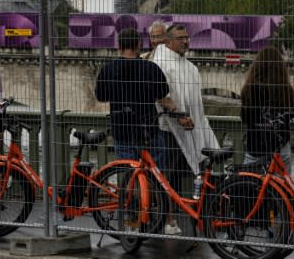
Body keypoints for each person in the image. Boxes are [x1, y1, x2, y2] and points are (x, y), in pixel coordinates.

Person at [151, 24, 219, 230]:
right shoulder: (160, 62)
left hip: (192, 128)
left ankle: (196, 215)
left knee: (190, 174)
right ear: (169, 41)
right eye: (180, 38)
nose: (185, 41)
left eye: (187, 37)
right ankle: (168, 219)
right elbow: (160, 93)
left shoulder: (190, 66)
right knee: (168, 176)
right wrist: (178, 116)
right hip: (169, 130)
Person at [94, 28, 174, 165]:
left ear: (119, 46)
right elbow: (162, 95)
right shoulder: (151, 68)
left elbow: (101, 96)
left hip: (122, 129)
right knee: (155, 174)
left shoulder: (108, 69)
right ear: (139, 45)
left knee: (128, 175)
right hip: (148, 130)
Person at [240, 46, 294, 166]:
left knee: (247, 183)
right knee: (280, 184)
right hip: (280, 149)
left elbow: (245, 118)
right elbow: (288, 116)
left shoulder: (249, 90)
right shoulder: (288, 91)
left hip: (256, 147)